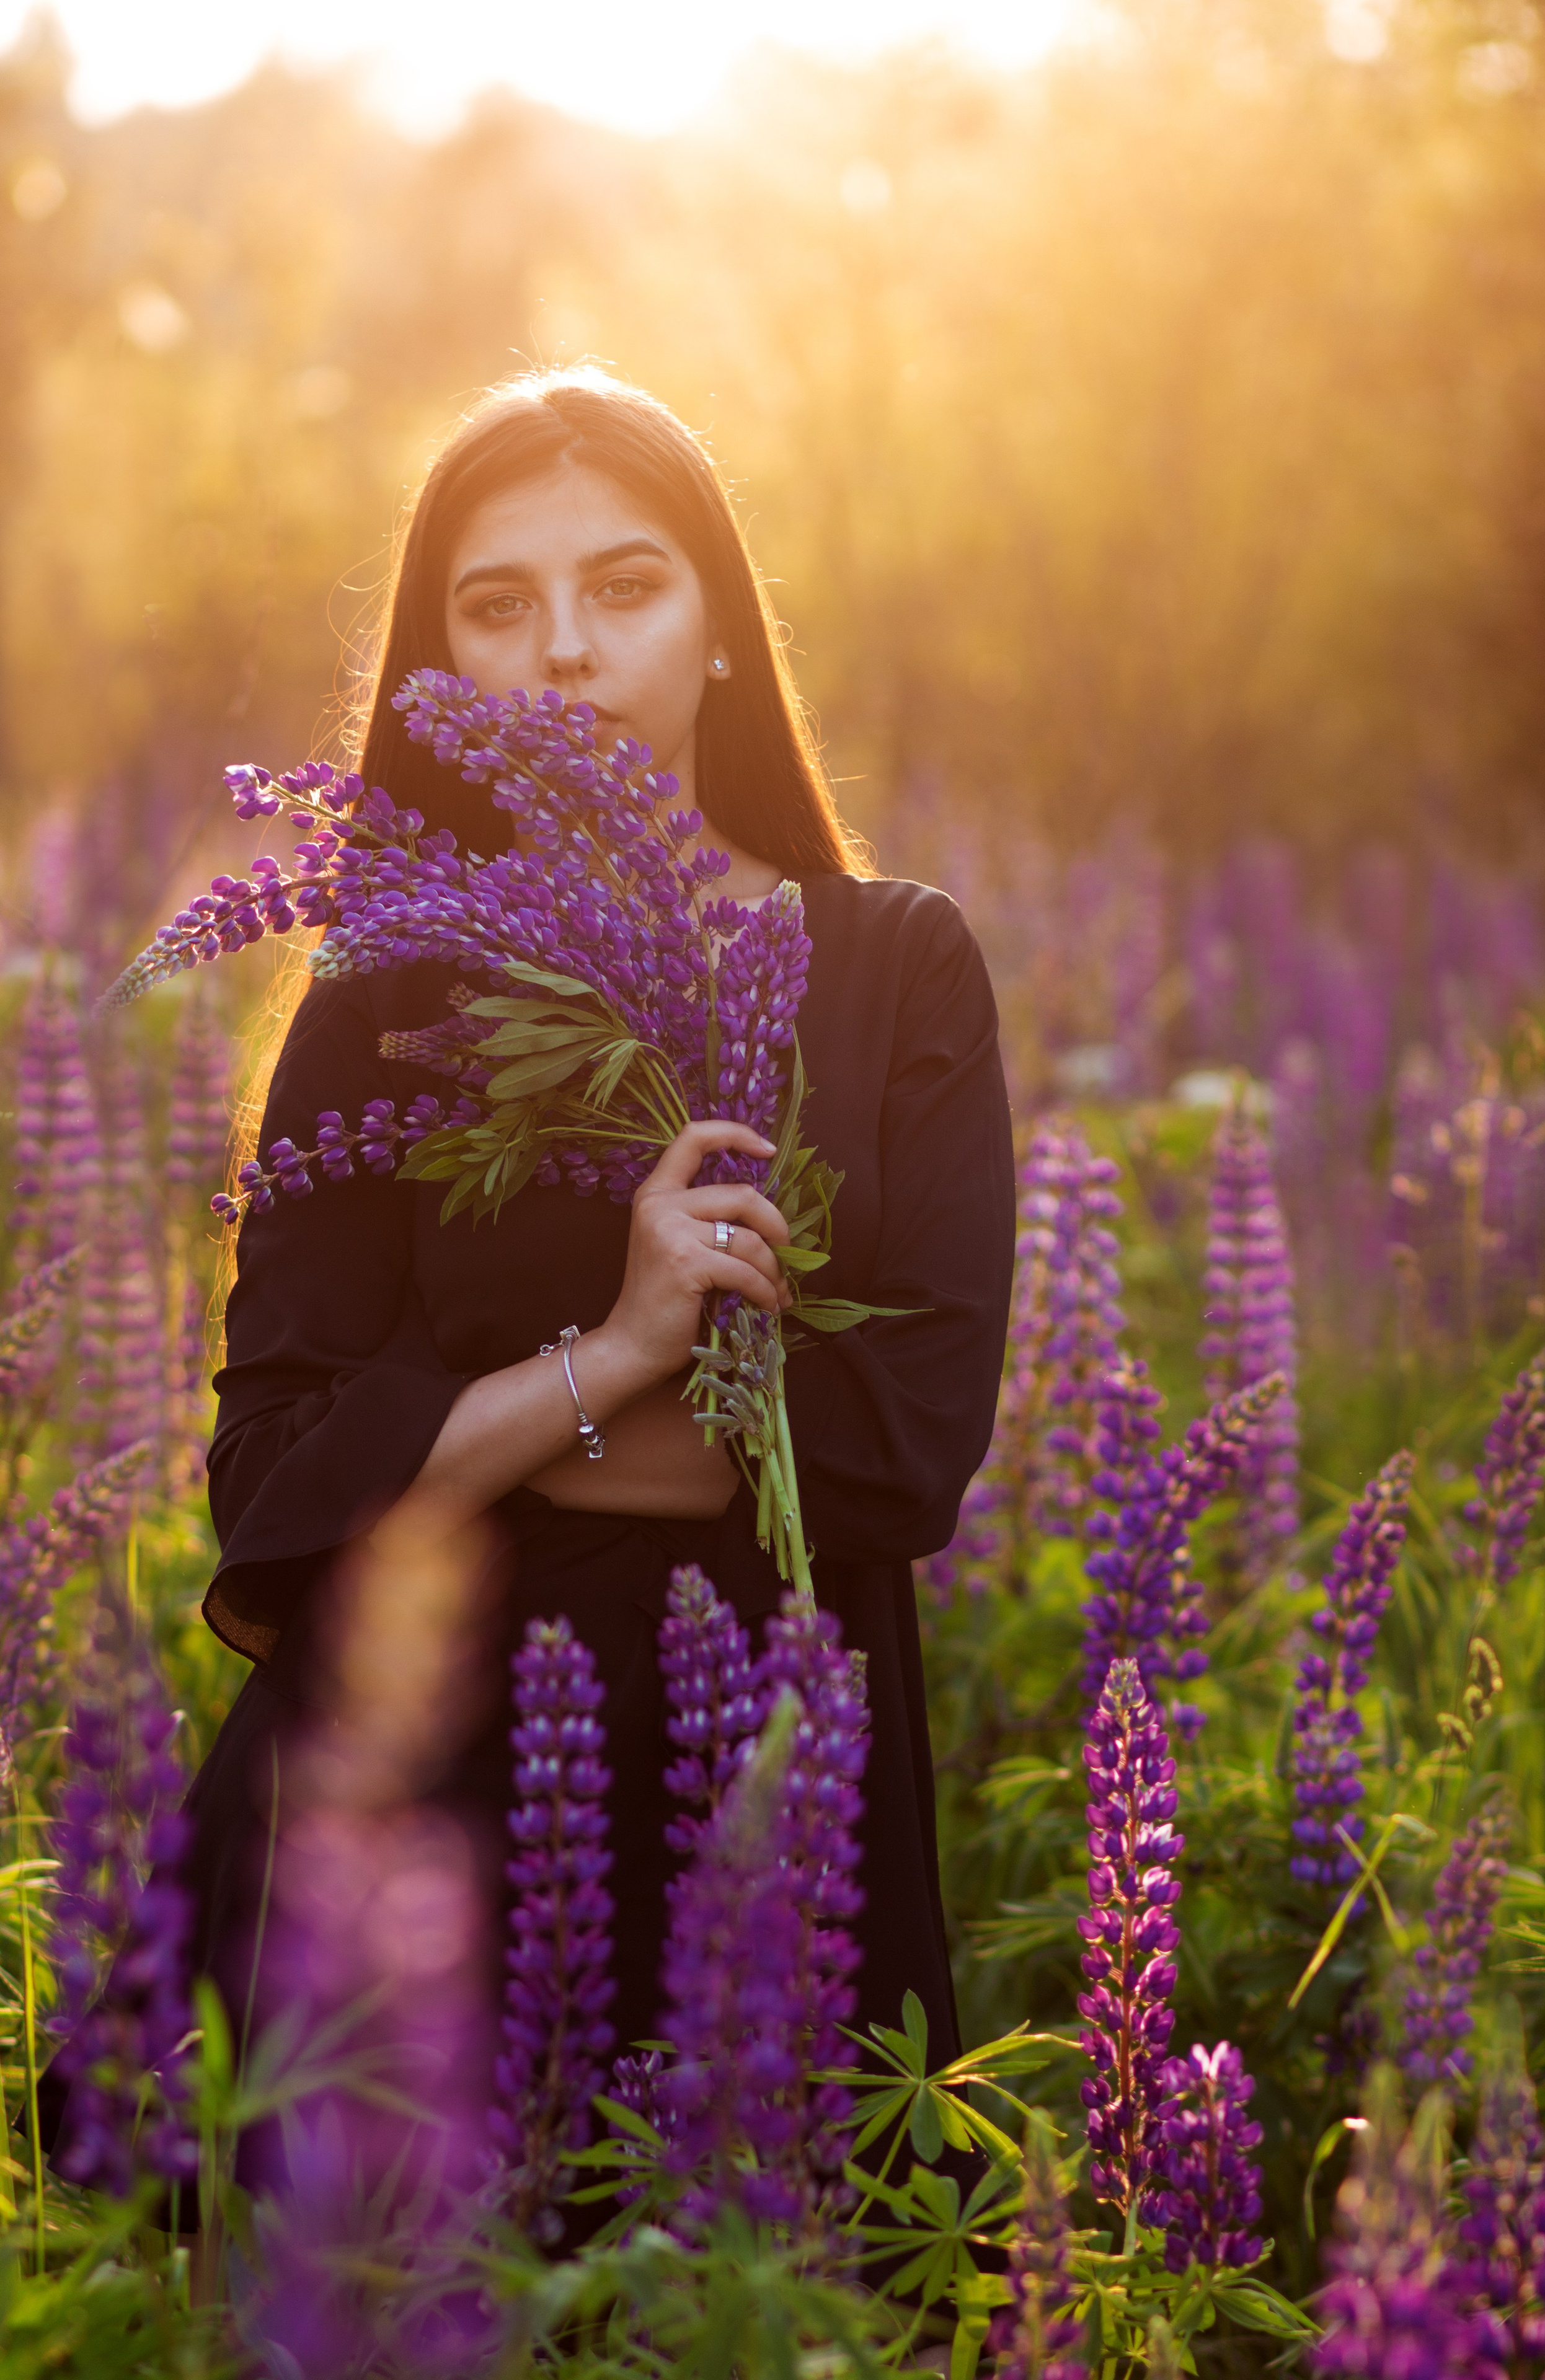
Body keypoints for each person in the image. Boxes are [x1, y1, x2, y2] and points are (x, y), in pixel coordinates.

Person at [178, 368, 1016, 2175]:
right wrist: (628, 1346)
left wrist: (462, 1453)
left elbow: (899, 1456)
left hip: (785, 1821)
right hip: (410, 1848)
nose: (564, 647)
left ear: (717, 625)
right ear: (444, 665)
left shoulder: (895, 969)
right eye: (499, 605)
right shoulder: (383, 994)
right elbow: (269, 1486)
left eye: (624, 585)